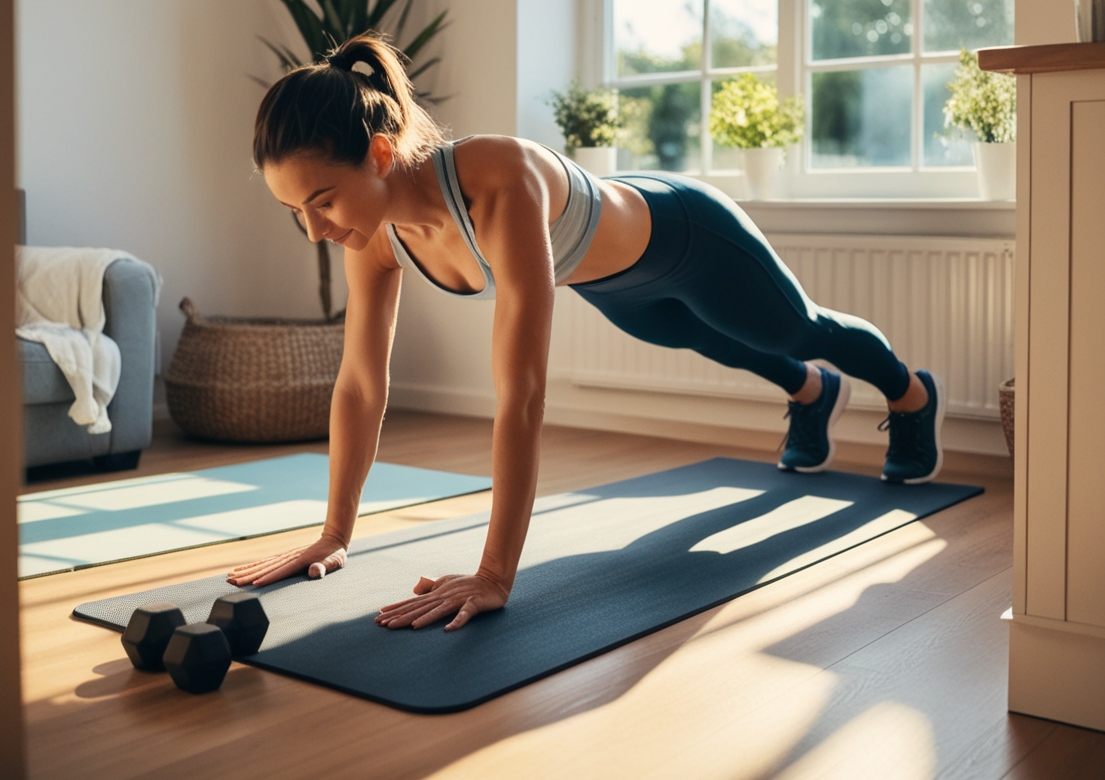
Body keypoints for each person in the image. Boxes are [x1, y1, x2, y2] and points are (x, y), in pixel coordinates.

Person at [227, 33, 945, 631]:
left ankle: (910, 395)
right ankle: (813, 394)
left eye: (322, 201)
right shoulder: (377, 234)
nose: (316, 230)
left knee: (795, 326)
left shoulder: (498, 177)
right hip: (611, 283)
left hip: (687, 236)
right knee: (705, 338)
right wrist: (335, 534)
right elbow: (359, 383)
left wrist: (493, 574)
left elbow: (524, 393)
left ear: (379, 155)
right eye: (297, 212)